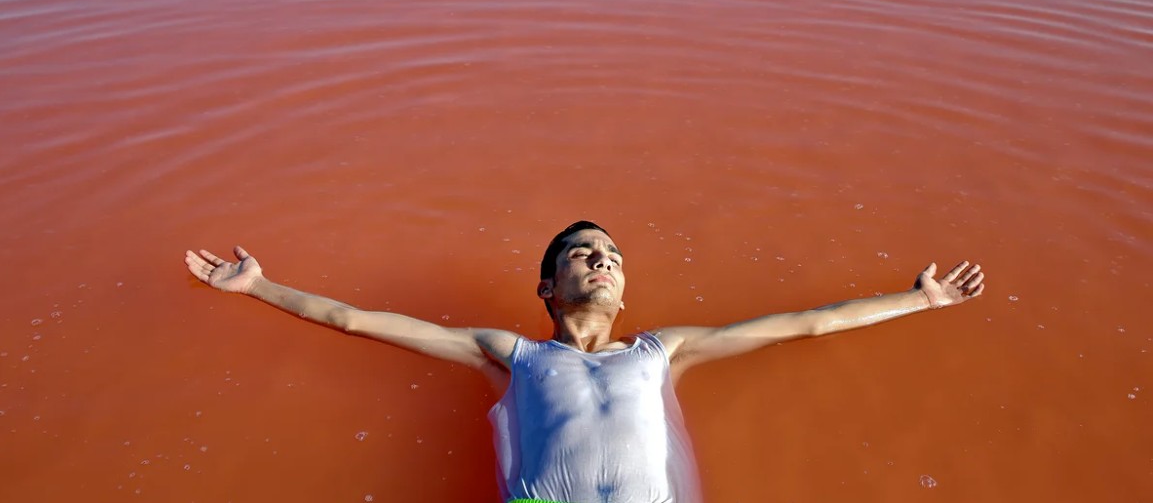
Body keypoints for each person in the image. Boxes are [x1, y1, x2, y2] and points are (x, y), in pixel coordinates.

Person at [184, 220, 984, 503]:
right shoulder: (508, 353)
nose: (599, 261)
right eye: (580, 254)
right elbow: (357, 320)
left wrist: (920, 300)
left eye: (610, 255)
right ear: (547, 284)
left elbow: (806, 325)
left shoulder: (661, 348)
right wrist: (259, 287)